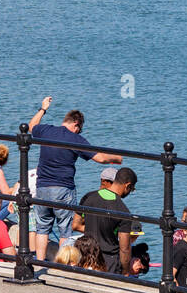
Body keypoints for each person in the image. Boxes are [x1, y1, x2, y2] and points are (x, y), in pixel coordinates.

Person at [27, 96, 122, 262]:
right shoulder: (76, 139)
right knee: (65, 230)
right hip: (63, 189)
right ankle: (59, 266)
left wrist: (43, 109)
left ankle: (39, 263)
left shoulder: (47, 130)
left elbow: (30, 126)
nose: (79, 132)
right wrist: (117, 158)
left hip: (42, 187)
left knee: (42, 229)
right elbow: (99, 158)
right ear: (76, 124)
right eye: (80, 129)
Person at [77, 167, 138, 275]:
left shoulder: (88, 197)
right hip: (109, 261)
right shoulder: (123, 210)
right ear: (127, 185)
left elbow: (75, 225)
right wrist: (125, 271)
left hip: (86, 254)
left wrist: (95, 230)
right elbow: (125, 249)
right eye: (131, 189)